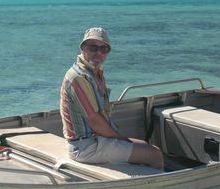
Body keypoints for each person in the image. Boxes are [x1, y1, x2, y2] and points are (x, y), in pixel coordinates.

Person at [60, 27, 164, 170]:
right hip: (86, 147)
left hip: (94, 140)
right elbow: (94, 120)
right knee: (155, 155)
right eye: (93, 48)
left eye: (103, 49)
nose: (98, 53)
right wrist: (120, 138)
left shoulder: (93, 73)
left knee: (144, 146)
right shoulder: (79, 77)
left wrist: (122, 139)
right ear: (83, 48)